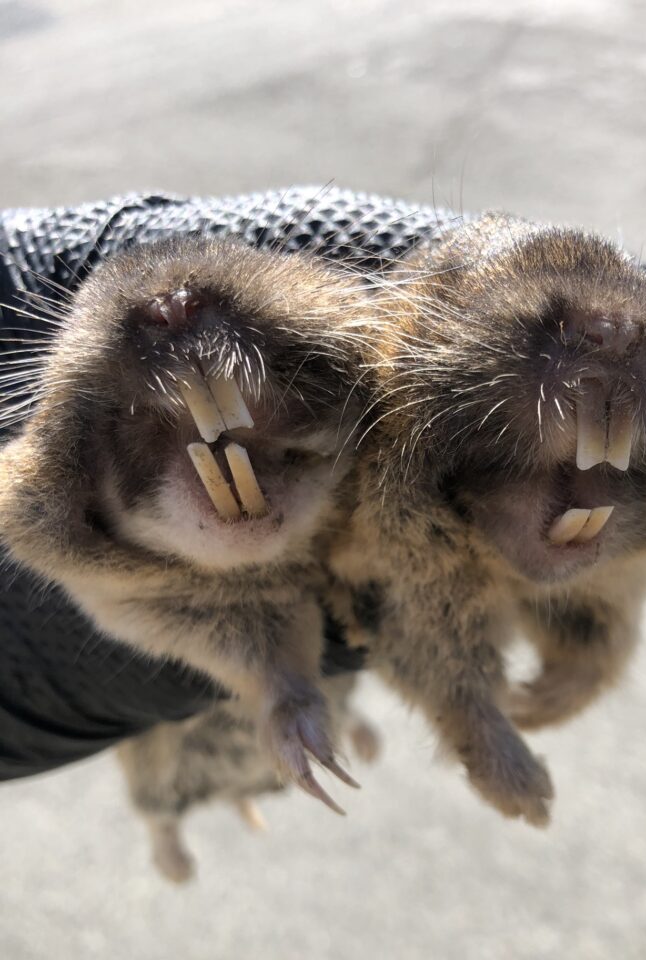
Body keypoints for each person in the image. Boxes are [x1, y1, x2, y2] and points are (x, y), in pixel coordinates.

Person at [0, 186, 447, 779]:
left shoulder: (379, 451)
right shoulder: (105, 557)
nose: (173, 316)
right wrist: (283, 690)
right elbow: (228, 632)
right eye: (132, 433)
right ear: (89, 506)